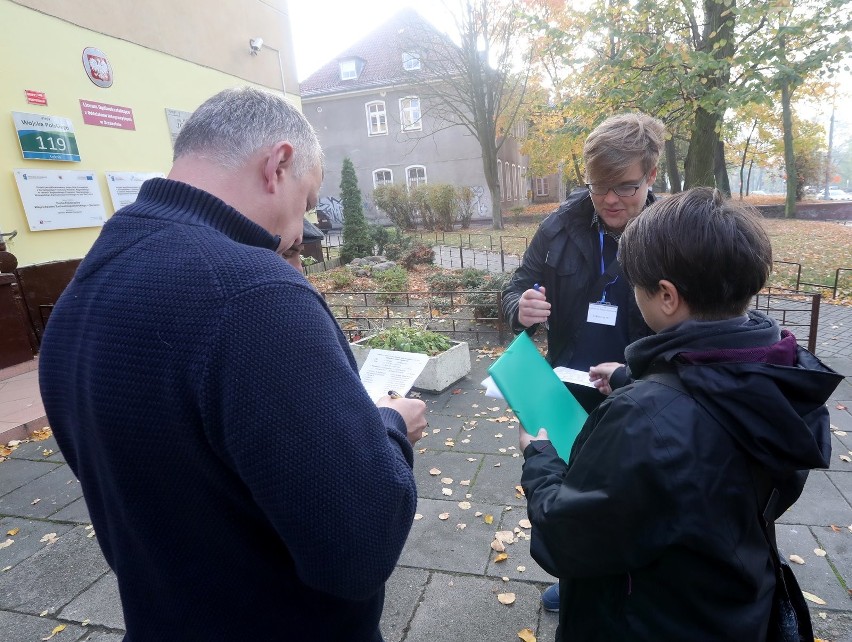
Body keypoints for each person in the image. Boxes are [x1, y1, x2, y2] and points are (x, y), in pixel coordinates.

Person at [38, 87, 426, 641]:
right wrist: (389, 427)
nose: (300, 233)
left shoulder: (86, 286)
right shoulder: (255, 295)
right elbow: (357, 551)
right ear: (279, 165)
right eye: (308, 201)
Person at [519, 187, 842, 641]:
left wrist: (541, 458)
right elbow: (717, 421)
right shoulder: (783, 375)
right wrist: (635, 377)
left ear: (666, 296)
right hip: (731, 600)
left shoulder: (641, 420)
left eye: (637, 285)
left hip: (646, 616)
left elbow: (566, 539)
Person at [502, 112, 665, 609]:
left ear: (652, 176)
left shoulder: (670, 232)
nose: (610, 199)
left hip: (637, 388)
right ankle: (578, 580)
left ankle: (629, 585)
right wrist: (520, 308)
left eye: (625, 186)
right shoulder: (559, 226)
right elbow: (515, 286)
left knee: (631, 493)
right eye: (598, 187)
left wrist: (641, 377)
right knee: (571, 484)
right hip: (566, 386)